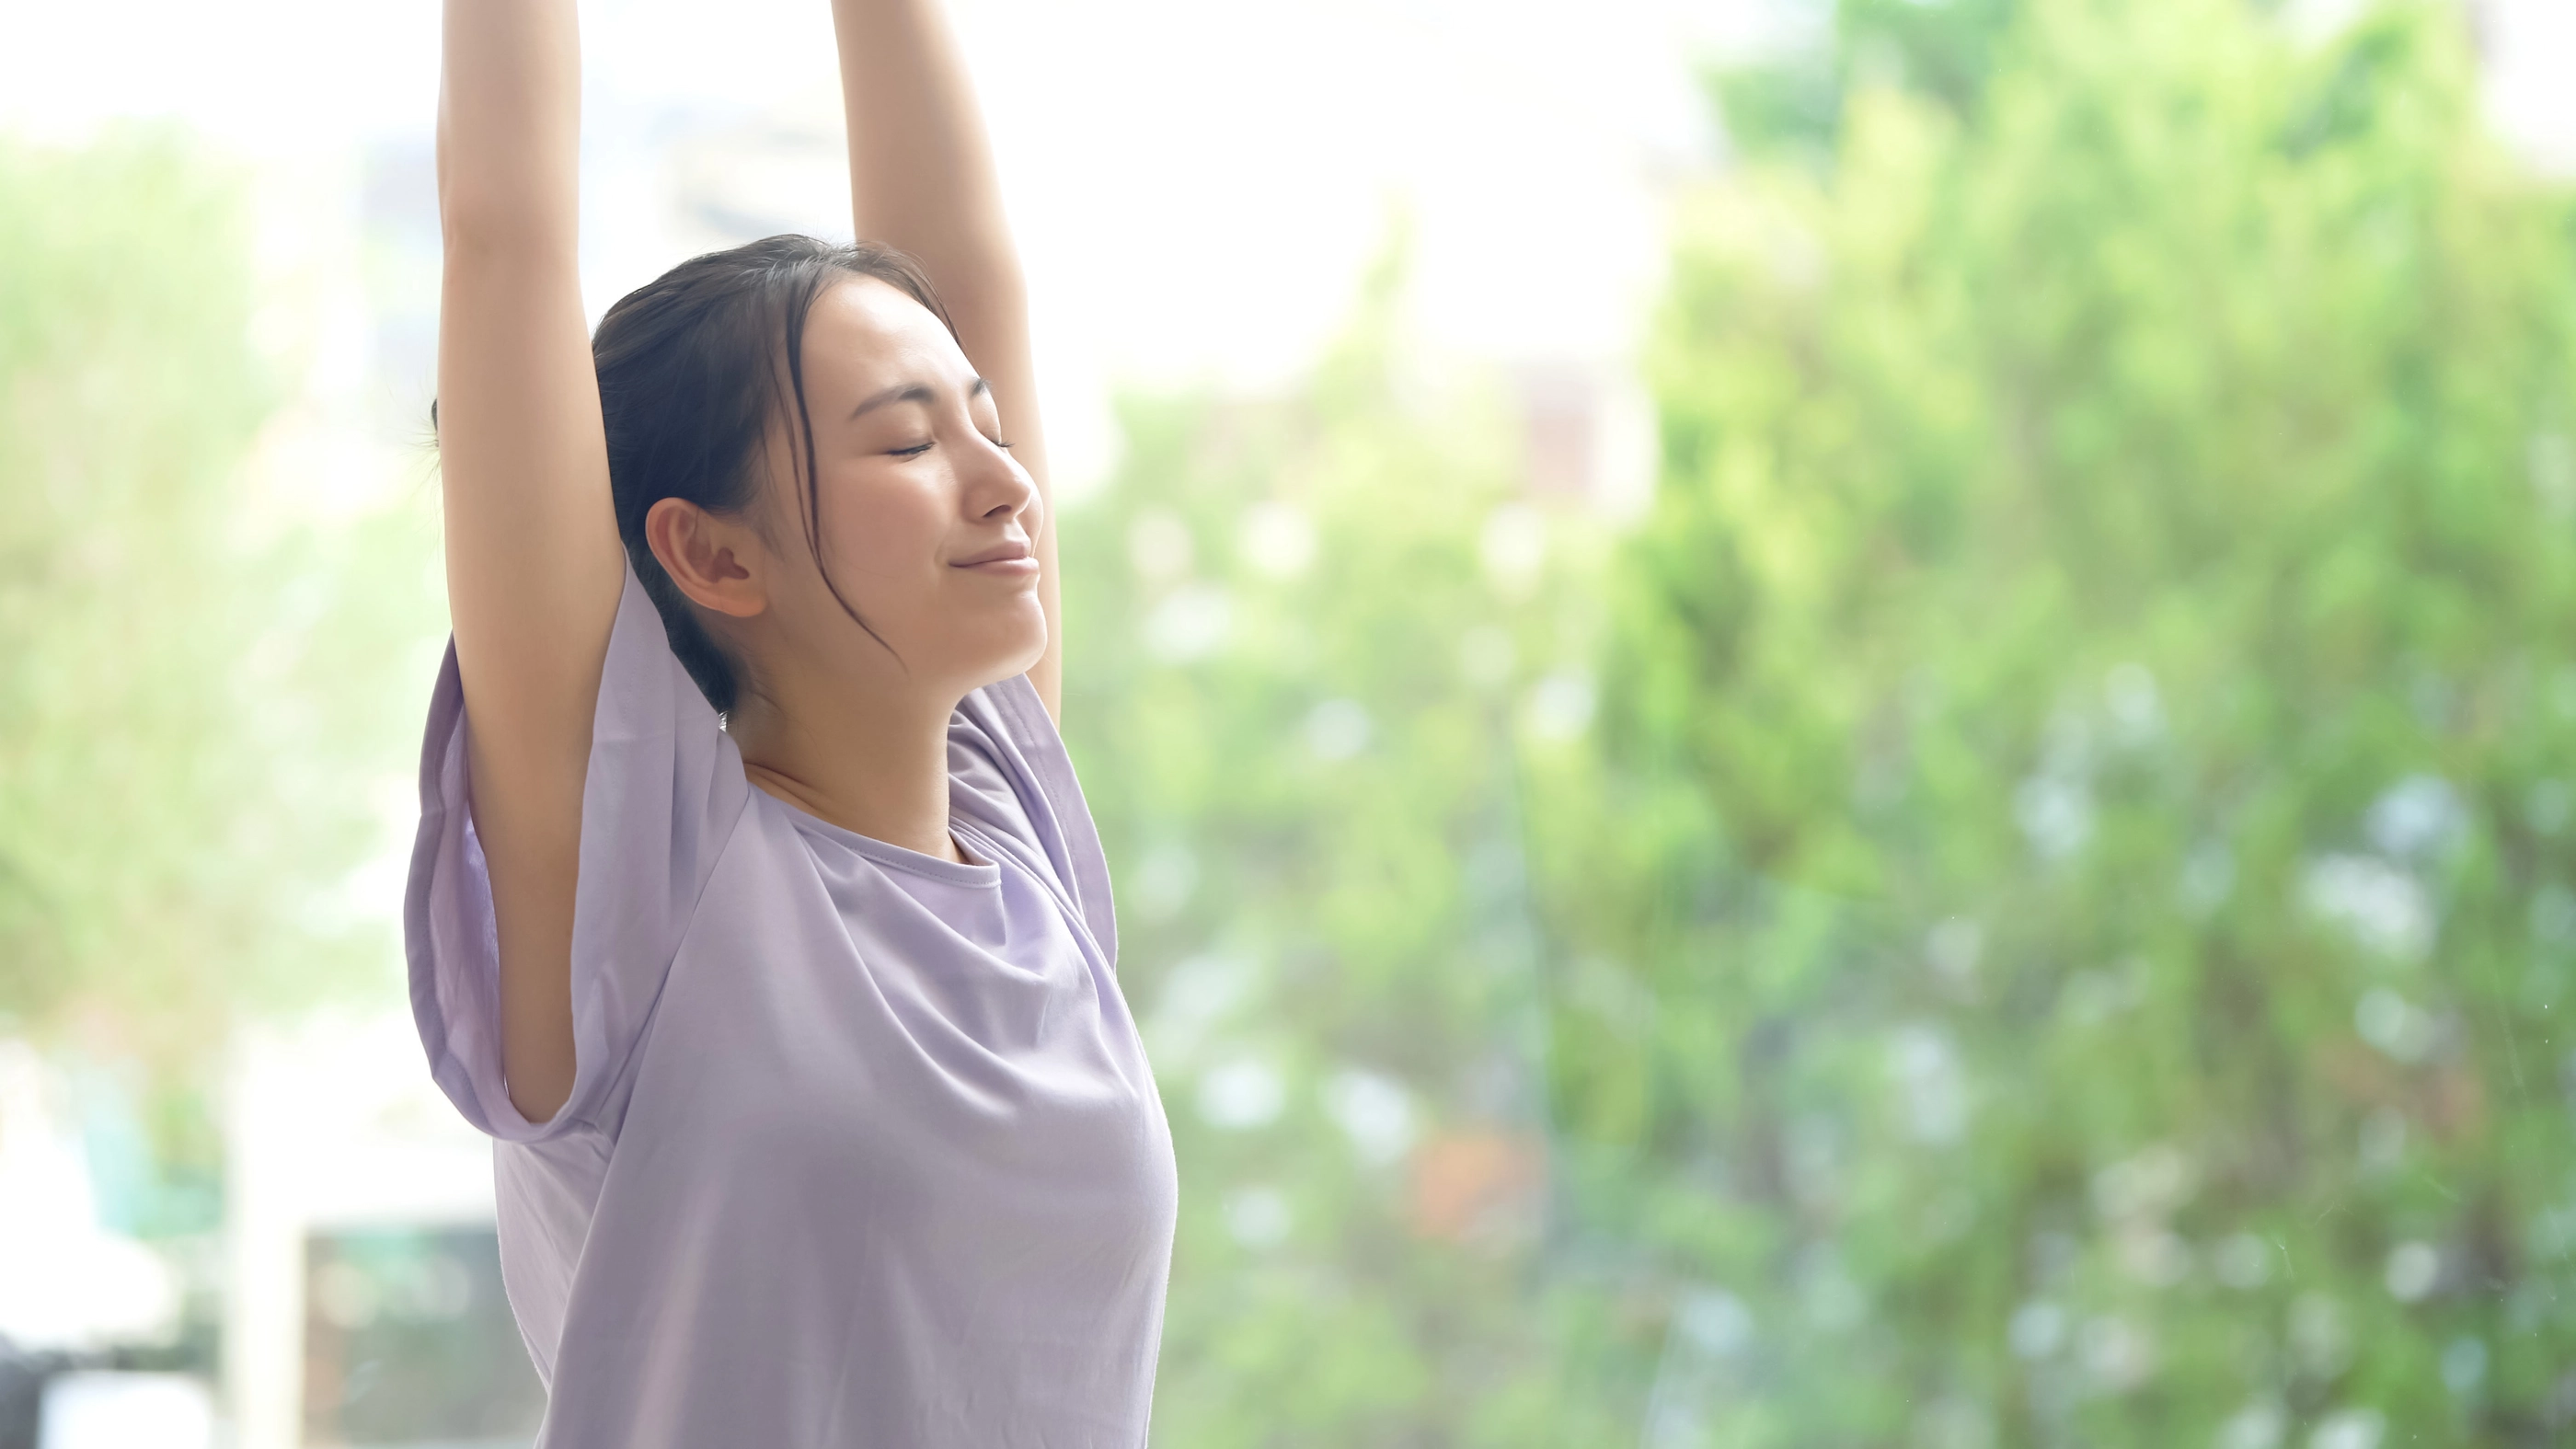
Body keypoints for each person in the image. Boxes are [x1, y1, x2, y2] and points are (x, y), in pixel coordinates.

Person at [406, 2, 1177, 1444]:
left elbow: (972, 265)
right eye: (906, 440)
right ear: (711, 555)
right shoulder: (643, 890)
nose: (1006, 483)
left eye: (988, 423)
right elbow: (503, 227)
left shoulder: (1015, 843)